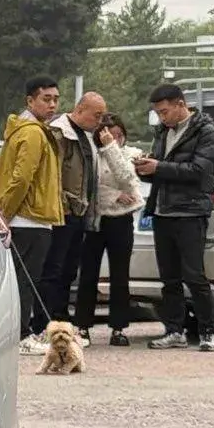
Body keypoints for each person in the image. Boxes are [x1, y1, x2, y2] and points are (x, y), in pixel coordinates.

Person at [135, 84, 214, 352]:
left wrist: (159, 167)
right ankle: (174, 330)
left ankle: (208, 331)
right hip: (162, 211)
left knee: (194, 275)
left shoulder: (206, 132)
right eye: (157, 113)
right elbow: (161, 170)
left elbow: (199, 171)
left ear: (180, 104)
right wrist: (144, 168)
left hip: (190, 211)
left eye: (164, 112)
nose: (161, 118)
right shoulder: (162, 133)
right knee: (169, 278)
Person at [0, 76, 64, 353]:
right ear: (30, 100)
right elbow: (22, 178)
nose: (53, 104)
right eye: (46, 99)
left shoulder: (29, 130)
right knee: (24, 280)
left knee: (22, 279)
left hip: (29, 218)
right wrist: (4, 214)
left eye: (56, 99)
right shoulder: (33, 132)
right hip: (28, 219)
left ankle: (19, 333)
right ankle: (21, 335)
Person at [42, 91, 106, 340]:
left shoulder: (87, 136)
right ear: (80, 110)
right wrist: (64, 201)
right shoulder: (60, 133)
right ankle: (48, 320)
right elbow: (53, 173)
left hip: (81, 213)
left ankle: (62, 320)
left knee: (70, 270)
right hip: (62, 212)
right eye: (96, 115)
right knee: (55, 269)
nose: (99, 121)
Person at [76, 112, 143, 345]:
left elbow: (128, 180)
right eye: (108, 135)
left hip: (121, 221)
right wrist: (114, 194)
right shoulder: (92, 156)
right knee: (88, 275)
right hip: (95, 219)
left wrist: (111, 148)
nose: (114, 139)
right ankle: (82, 326)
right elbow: (91, 189)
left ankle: (119, 328)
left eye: (118, 135)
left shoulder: (130, 154)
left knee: (119, 275)